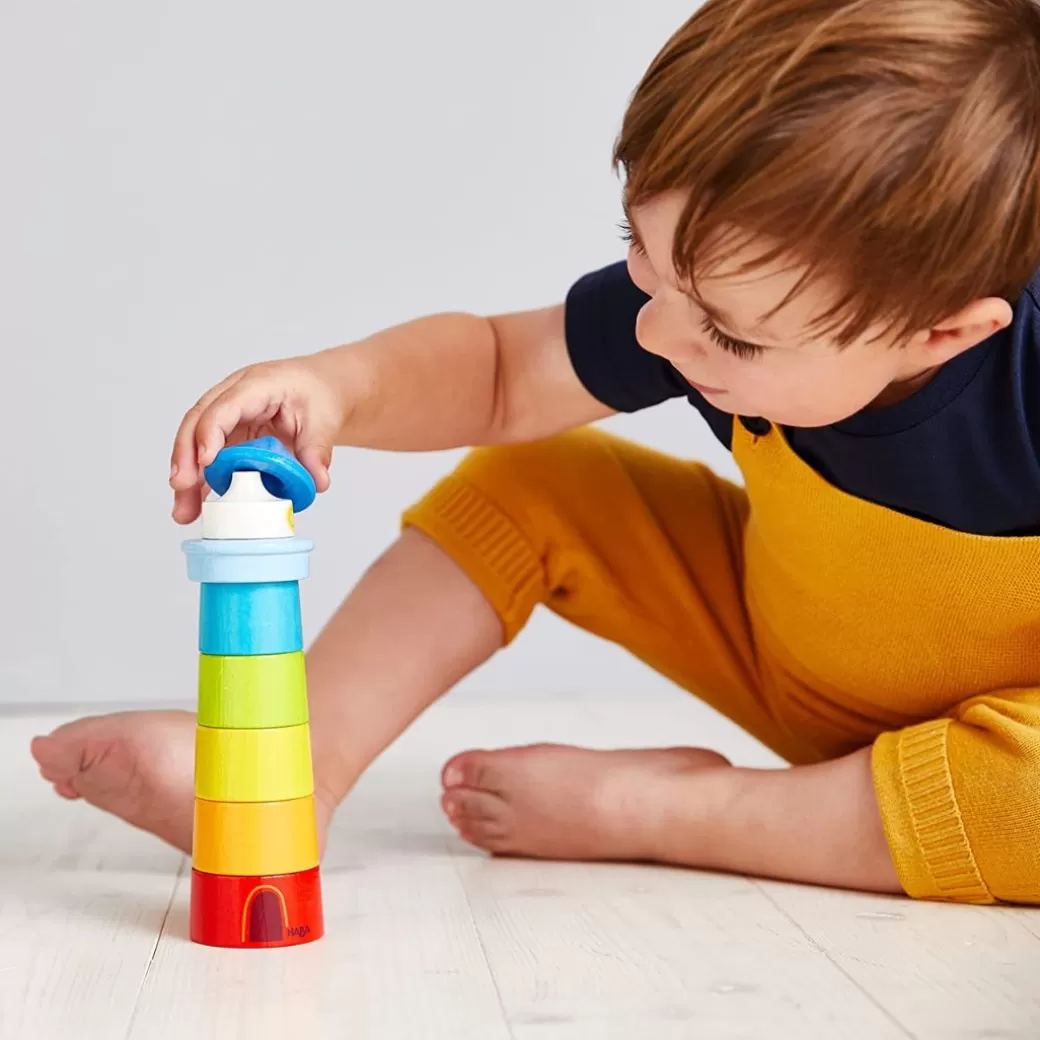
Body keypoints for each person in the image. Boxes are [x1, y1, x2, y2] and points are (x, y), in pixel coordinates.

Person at [32, 0, 1040, 904]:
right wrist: (336, 384)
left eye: (729, 338)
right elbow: (502, 373)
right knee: (538, 478)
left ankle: (682, 809)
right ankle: (290, 771)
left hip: (995, 745)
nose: (657, 339)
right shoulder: (700, 299)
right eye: (644, 261)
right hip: (782, 642)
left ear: (943, 333)